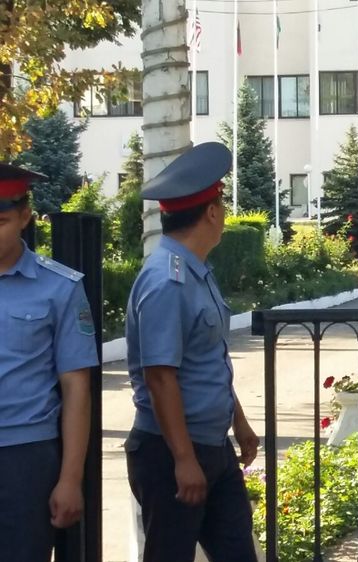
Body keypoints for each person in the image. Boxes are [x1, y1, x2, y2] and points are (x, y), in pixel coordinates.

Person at [125, 142, 260, 562]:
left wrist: (239, 421)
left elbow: (207, 358)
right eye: (223, 206)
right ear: (213, 213)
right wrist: (183, 459)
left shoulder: (194, 271)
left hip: (212, 446)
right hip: (170, 452)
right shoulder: (166, 281)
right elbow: (160, 376)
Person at [0, 163, 99, 561]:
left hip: (25, 456)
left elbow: (77, 387)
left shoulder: (59, 287)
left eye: (1, 221)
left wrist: (70, 479)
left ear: (25, 216)